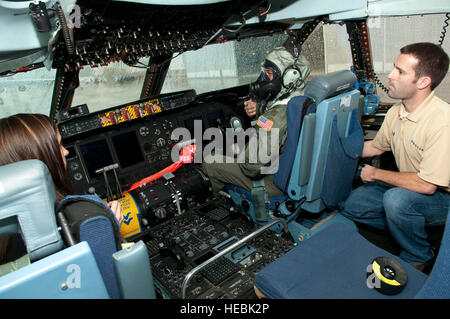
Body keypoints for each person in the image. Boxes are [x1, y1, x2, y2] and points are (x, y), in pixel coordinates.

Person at [340, 42, 450, 271]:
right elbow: (375, 148)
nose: (390, 75)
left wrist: (375, 173)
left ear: (423, 82)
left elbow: (427, 185)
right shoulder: (396, 112)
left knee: (396, 202)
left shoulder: (442, 121)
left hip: (441, 198)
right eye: (394, 68)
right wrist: (334, 148)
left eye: (400, 71)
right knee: (351, 205)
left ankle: (419, 252)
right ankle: (411, 228)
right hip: (409, 188)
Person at [0, 113, 123, 265]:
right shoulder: (59, 222)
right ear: (41, 157)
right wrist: (106, 228)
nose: (66, 152)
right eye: (58, 146)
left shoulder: (8, 235)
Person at [202, 44, 311, 197]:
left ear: (289, 77)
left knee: (210, 162)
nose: (263, 79)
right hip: (299, 174)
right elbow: (281, 118)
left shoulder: (275, 118)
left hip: (275, 183)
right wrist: (260, 110)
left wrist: (238, 151)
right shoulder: (305, 100)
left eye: (269, 74)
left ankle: (218, 207)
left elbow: (251, 167)